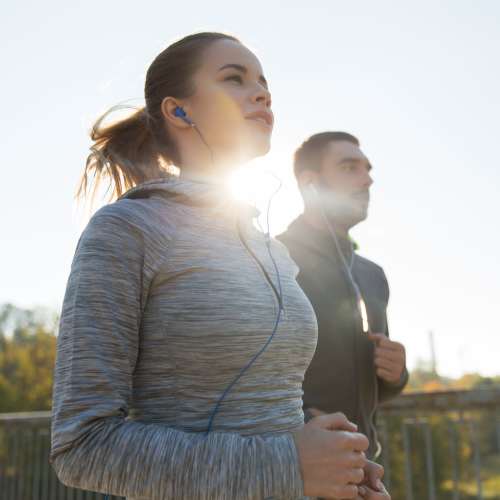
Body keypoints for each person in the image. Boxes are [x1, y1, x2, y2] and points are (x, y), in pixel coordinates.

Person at [50, 33, 389, 499]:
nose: (262, 93)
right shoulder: (128, 229)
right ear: (178, 110)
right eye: (234, 78)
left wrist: (339, 468)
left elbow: (267, 413)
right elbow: (81, 446)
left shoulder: (272, 250)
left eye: (264, 82)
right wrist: (291, 464)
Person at [277, 132, 408, 459]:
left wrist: (396, 375)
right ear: (311, 183)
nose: (367, 180)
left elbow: (371, 386)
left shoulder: (372, 275)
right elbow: (244, 373)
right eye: (350, 168)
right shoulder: (272, 259)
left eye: (367, 169)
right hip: (295, 470)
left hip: (364, 467)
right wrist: (305, 422)